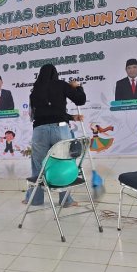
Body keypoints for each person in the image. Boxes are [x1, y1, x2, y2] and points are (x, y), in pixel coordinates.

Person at [24, 64, 86, 206]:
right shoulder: (61, 85)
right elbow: (80, 100)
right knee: (64, 162)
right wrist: (77, 87)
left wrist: (72, 117)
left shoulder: (34, 91)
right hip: (60, 129)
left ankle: (35, 199)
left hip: (39, 130)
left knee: (38, 166)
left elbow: (42, 113)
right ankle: (66, 200)